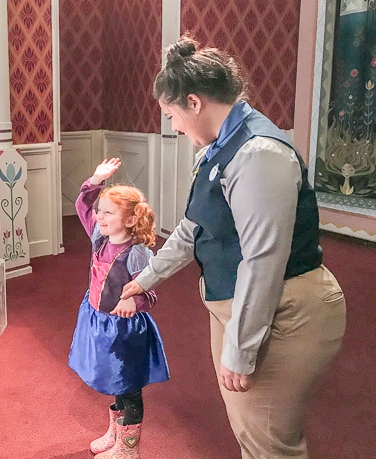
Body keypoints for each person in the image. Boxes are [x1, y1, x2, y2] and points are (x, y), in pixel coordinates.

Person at [121, 35, 346, 458]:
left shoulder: (258, 152)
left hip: (286, 313)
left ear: (194, 102)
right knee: (250, 433)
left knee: (269, 444)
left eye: (170, 115)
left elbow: (263, 261)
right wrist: (146, 277)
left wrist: (240, 352)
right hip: (238, 306)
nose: (172, 126)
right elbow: (193, 229)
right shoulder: (219, 147)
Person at [69, 158, 169, 459]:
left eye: (108, 213)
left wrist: (133, 299)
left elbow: (150, 295)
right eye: (99, 211)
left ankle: (129, 449)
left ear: (129, 220)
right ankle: (115, 434)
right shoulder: (99, 238)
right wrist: (95, 180)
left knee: (129, 388)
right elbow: (82, 206)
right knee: (115, 381)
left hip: (125, 333)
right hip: (100, 325)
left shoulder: (137, 254)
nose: (99, 216)